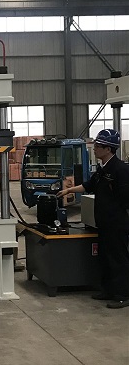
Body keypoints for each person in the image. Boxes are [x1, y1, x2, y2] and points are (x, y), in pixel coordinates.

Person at [57, 129, 129, 309]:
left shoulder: (120, 170)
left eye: (98, 146)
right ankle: (108, 290)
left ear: (108, 149)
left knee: (118, 258)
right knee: (105, 257)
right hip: (103, 222)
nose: (94, 149)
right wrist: (68, 190)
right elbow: (88, 186)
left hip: (116, 224)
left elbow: (125, 199)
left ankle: (123, 295)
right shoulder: (102, 169)